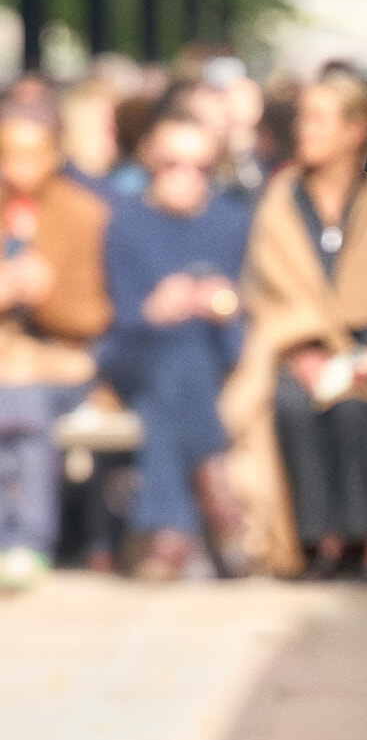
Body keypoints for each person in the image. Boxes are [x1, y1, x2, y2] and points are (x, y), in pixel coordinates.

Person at [232, 73, 367, 579]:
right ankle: (319, 539)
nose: (302, 131)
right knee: (290, 404)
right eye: (301, 118)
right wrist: (303, 350)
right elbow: (270, 288)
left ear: (356, 130)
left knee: (358, 410)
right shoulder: (282, 198)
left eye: (316, 119)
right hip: (297, 350)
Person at [99, 110, 250, 581]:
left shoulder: (232, 221)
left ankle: (170, 532)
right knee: (176, 355)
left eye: (200, 167)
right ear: (150, 162)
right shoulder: (125, 223)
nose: (187, 178)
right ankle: (214, 489)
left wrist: (222, 305)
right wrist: (154, 310)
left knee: (178, 366)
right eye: (172, 165)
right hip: (136, 353)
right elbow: (120, 320)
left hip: (204, 360)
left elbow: (243, 312)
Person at [0, 99, 111, 588]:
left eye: (31, 153)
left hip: (66, 364)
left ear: (54, 153)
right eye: (8, 154)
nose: (18, 166)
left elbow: (97, 314)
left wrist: (46, 296)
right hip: (10, 361)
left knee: (21, 397)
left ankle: (25, 538)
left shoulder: (85, 215)